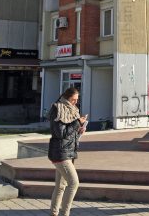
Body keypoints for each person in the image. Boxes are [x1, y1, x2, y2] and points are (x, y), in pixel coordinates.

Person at [48, 87, 87, 216]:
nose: (75, 102)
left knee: (60, 186)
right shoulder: (58, 108)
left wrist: (80, 129)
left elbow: (70, 132)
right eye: (73, 99)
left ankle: (53, 213)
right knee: (74, 183)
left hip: (68, 152)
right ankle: (65, 213)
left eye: (77, 100)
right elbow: (61, 133)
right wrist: (77, 123)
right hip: (60, 152)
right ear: (67, 97)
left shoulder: (73, 110)